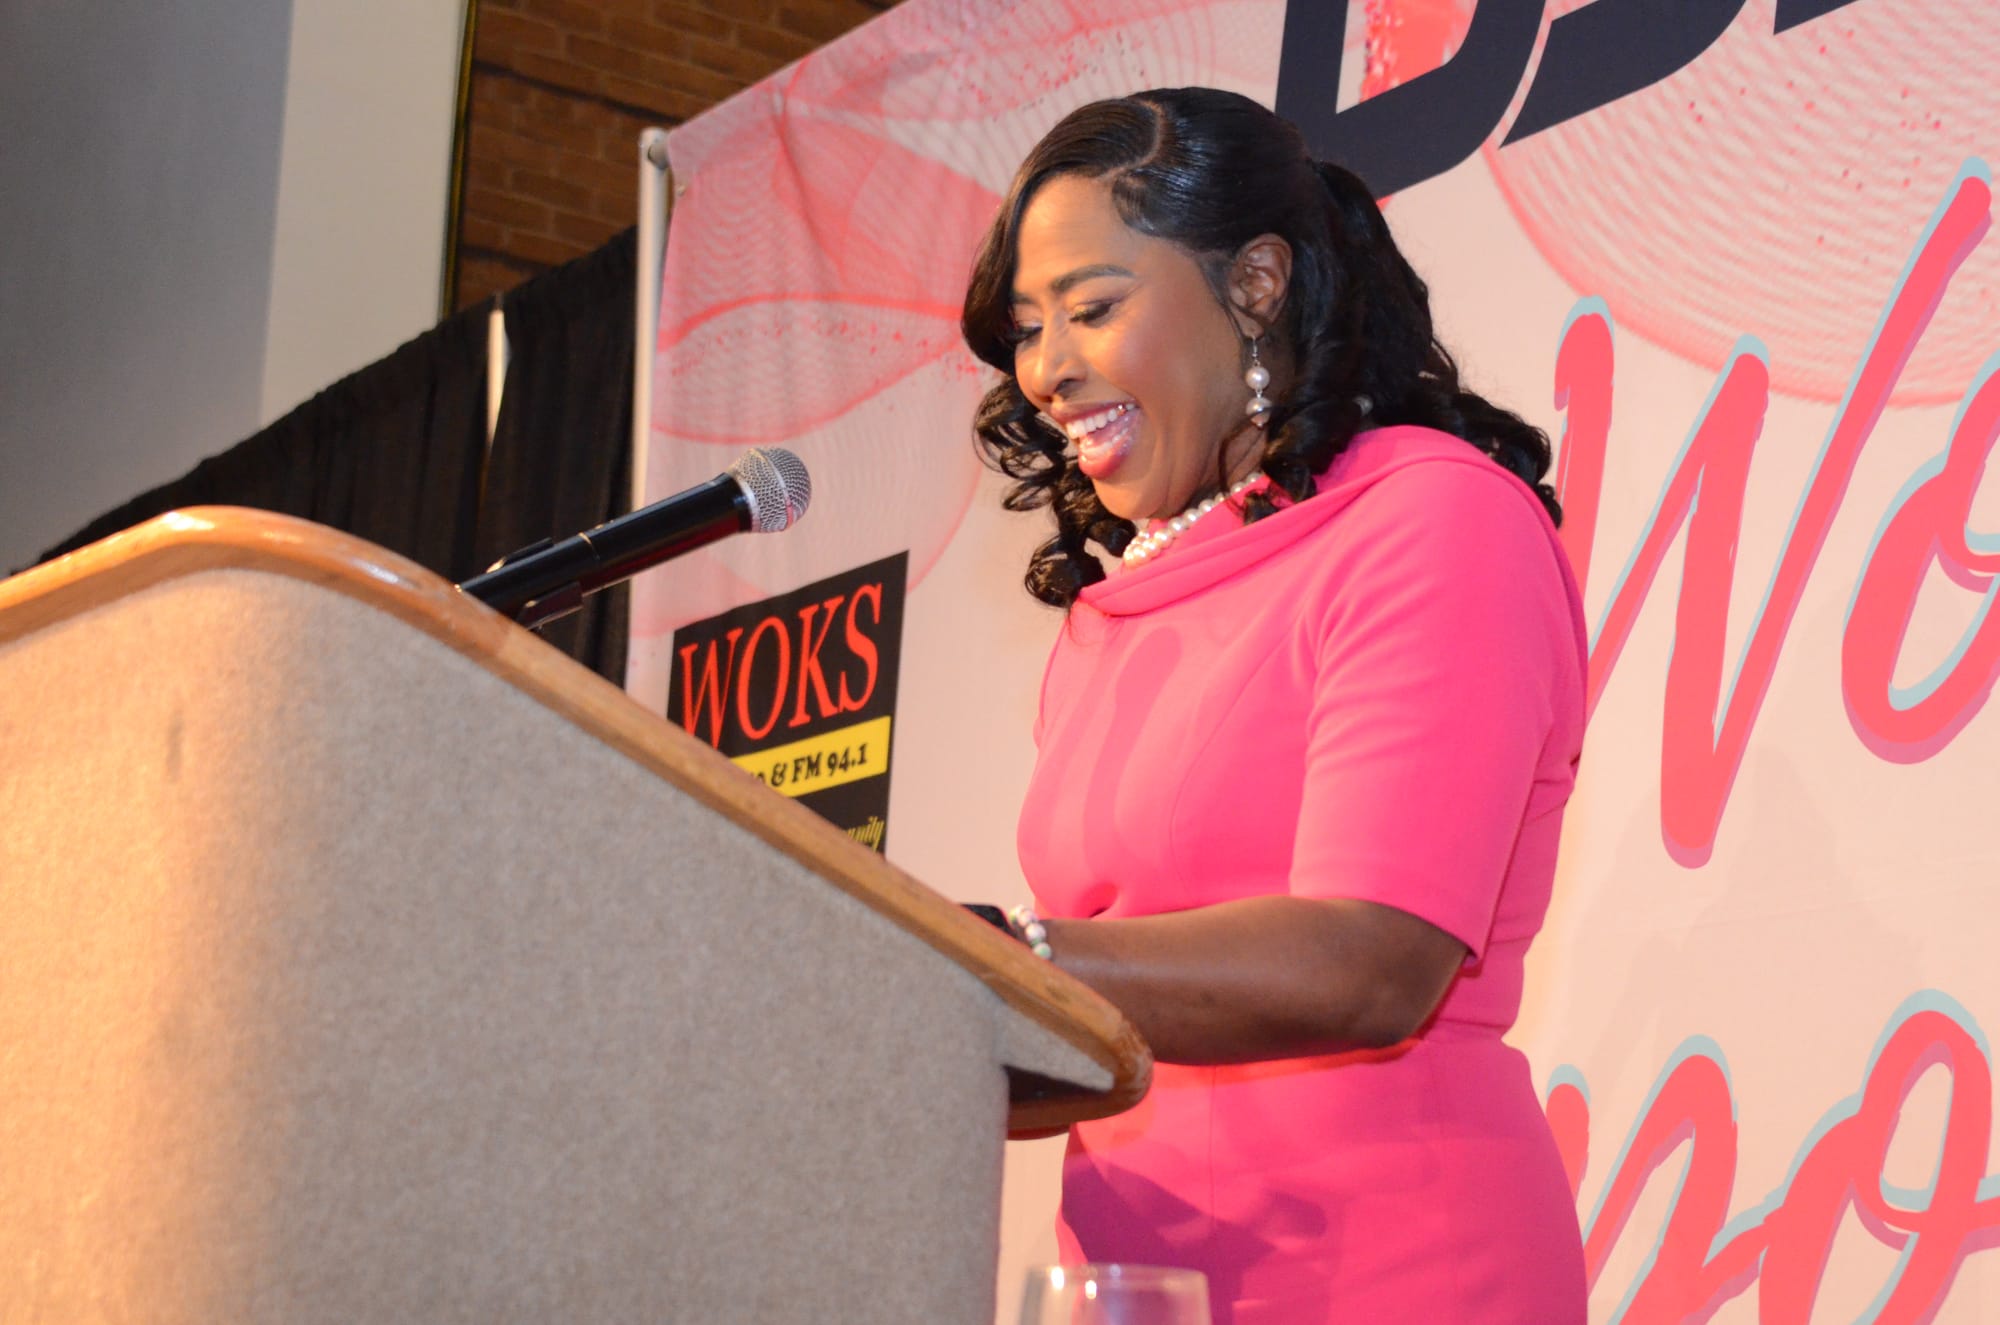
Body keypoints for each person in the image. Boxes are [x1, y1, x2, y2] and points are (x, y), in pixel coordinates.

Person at [959, 88, 1590, 1323]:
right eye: (1029, 327)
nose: (1046, 368)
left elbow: (1369, 960)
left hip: (1393, 1271)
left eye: (1091, 307)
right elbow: (1099, 1020)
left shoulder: (1433, 521)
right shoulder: (1108, 616)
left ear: (1252, 283)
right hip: (1132, 1276)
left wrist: (994, 957)